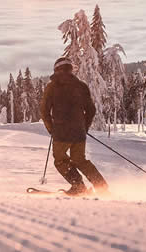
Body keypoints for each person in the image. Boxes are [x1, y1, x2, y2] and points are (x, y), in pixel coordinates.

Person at [41, 57, 109, 196]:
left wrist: (51, 129)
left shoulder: (51, 87)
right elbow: (91, 110)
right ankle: (102, 187)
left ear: (56, 69)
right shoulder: (81, 86)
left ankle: (78, 186)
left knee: (60, 160)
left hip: (61, 133)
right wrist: (84, 127)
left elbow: (44, 110)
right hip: (78, 132)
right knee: (80, 160)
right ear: (70, 69)